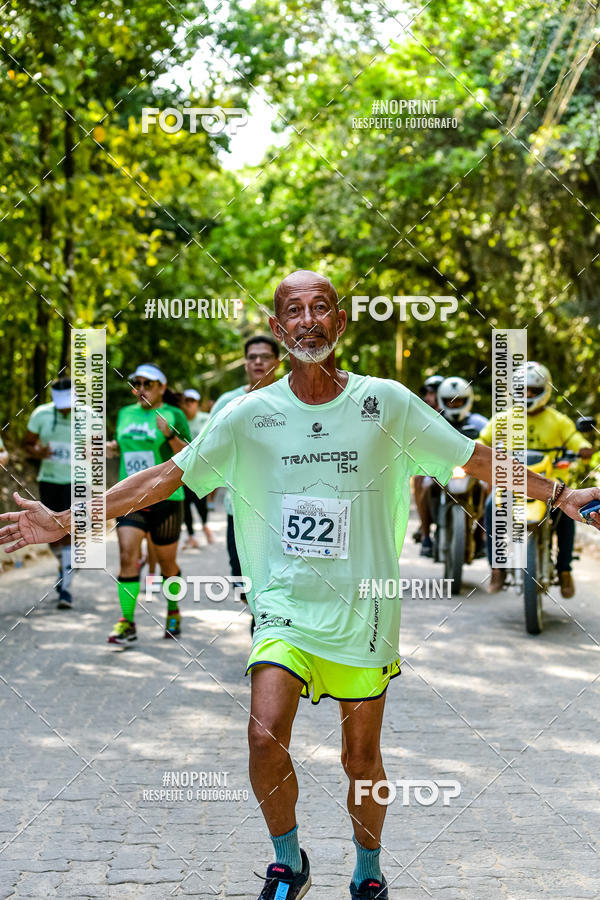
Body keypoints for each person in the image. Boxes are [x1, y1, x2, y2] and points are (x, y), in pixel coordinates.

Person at [2, 272, 600, 900]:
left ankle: (368, 867)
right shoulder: (248, 416)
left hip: (364, 609)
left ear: (339, 323)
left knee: (359, 759)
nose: (308, 320)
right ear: (278, 326)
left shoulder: (387, 402)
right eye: (294, 310)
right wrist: (66, 520)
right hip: (283, 606)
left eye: (321, 308)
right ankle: (289, 861)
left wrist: (560, 494)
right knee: (263, 735)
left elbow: (474, 458)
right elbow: (163, 478)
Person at [480, 361, 593, 597]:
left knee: (566, 514)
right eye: (522, 390)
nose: (527, 395)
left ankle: (564, 570)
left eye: (533, 390)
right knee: (491, 506)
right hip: (511, 485)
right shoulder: (502, 419)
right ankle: (497, 568)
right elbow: (482, 441)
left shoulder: (559, 421)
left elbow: (577, 441)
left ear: (545, 390)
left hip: (552, 486)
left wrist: (583, 448)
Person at [105, 364, 191, 645]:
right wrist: (109, 448)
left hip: (166, 498)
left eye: (148, 384)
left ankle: (173, 609)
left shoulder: (174, 414)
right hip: (129, 497)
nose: (141, 388)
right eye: (137, 383)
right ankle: (127, 622)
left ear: (162, 387)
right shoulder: (125, 414)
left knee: (167, 565)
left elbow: (192, 455)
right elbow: (123, 446)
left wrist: (170, 436)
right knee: (127, 556)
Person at [210, 335, 281, 583]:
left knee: (279, 584)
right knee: (244, 586)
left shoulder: (292, 398)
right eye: (252, 357)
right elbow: (208, 449)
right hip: (240, 511)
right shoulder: (227, 403)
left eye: (265, 357)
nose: (258, 362)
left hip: (283, 512)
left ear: (278, 362)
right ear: (245, 364)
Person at [23, 377, 75, 609]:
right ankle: (65, 565)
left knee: (69, 530)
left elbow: (99, 447)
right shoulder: (41, 414)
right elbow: (27, 445)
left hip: (77, 482)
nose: (65, 408)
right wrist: (38, 451)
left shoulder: (88, 416)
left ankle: (66, 588)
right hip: (49, 480)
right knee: (52, 532)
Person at [413, 375, 443, 557]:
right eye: (427, 393)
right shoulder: (420, 415)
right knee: (418, 479)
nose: (428, 397)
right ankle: (425, 534)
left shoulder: (457, 414)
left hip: (458, 467)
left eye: (433, 393)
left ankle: (481, 536)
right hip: (430, 466)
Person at [180, 388, 213, 548]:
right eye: (186, 401)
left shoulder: (206, 419)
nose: (189, 404)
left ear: (197, 403)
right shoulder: (179, 419)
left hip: (201, 471)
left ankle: (205, 525)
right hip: (183, 470)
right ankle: (191, 536)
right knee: (185, 504)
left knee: (201, 502)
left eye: (192, 401)